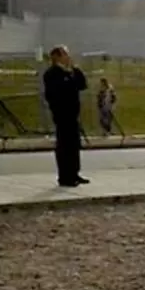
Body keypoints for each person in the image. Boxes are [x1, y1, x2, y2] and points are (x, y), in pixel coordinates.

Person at [43, 45, 89, 187]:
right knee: (64, 146)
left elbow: (82, 84)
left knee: (74, 145)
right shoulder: (52, 74)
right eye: (64, 54)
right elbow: (58, 93)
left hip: (73, 115)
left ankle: (74, 172)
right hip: (62, 115)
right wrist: (68, 78)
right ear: (56, 57)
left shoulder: (69, 72)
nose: (67, 57)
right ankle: (64, 177)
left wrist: (75, 68)